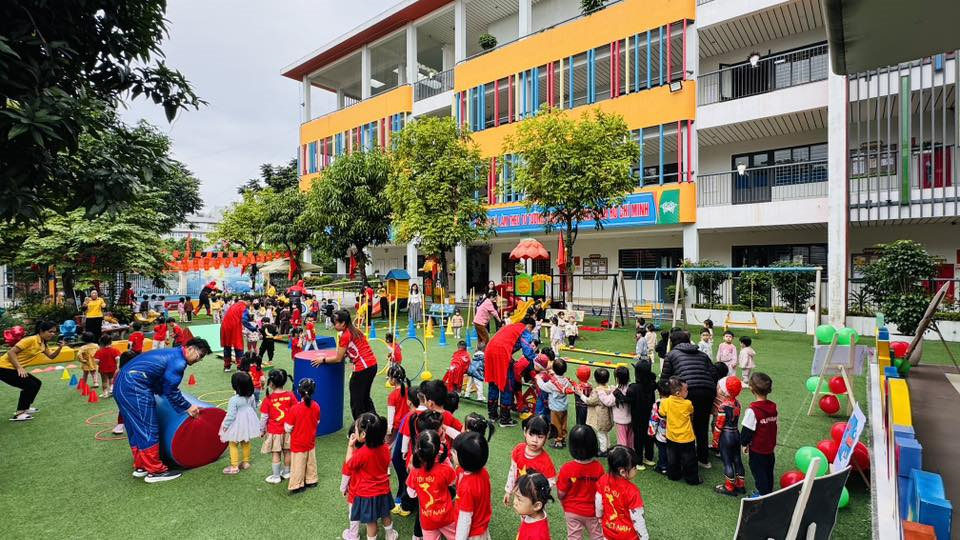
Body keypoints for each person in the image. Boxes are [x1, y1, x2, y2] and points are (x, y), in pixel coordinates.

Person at [113, 337, 212, 482]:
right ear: (190, 349)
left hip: (121, 385)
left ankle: (141, 466)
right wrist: (188, 406)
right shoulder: (178, 362)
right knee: (148, 428)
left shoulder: (172, 353)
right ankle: (155, 471)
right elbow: (171, 390)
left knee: (135, 428)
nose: (199, 359)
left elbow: (161, 381)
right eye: (200, 355)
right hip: (135, 388)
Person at [660, 328, 717, 468]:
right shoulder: (702, 354)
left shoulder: (671, 355)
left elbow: (665, 379)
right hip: (707, 391)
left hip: (686, 391)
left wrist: (665, 396)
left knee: (683, 424)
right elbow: (714, 373)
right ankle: (703, 459)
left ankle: (683, 459)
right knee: (702, 425)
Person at [313, 309, 378, 420]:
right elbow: (352, 350)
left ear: (343, 323)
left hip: (363, 368)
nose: (334, 326)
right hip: (372, 365)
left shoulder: (345, 335)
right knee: (365, 397)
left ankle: (360, 426)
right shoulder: (355, 330)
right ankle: (374, 423)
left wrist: (322, 360)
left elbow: (338, 358)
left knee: (357, 401)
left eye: (335, 323)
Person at [342, 413, 397, 540]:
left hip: (367, 493)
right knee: (385, 514)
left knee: (371, 522)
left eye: (356, 430)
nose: (354, 432)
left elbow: (349, 464)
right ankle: (390, 535)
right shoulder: (385, 448)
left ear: (363, 435)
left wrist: (350, 446)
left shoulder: (362, 453)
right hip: (383, 489)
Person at [0, 321, 63, 421]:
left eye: (54, 332)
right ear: (41, 331)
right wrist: (19, 368)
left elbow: (51, 356)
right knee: (30, 385)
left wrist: (60, 348)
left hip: (12, 368)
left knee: (37, 383)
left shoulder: (43, 343)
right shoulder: (30, 340)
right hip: (4, 368)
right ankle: (19, 413)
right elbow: (11, 352)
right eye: (50, 331)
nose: (52, 334)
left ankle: (26, 407)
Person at [484, 317, 538, 427]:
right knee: (507, 384)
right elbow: (527, 351)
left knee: (493, 382)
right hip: (501, 354)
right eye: (531, 330)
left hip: (489, 351)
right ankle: (505, 419)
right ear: (529, 326)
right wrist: (536, 359)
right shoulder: (524, 330)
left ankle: (492, 415)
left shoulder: (511, 327)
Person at [406, 429, 457, 539]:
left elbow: (411, 494)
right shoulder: (446, 469)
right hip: (447, 516)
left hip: (427, 520)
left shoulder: (414, 472)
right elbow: (453, 482)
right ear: (438, 449)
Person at [558, 425, 604, 540]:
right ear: (594, 445)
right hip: (593, 511)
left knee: (574, 537)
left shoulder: (567, 468)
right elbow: (601, 492)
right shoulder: (599, 468)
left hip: (572, 510)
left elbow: (561, 493)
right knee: (597, 536)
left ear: (572, 446)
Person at [595, 446, 650, 540]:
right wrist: (644, 538)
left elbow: (598, 502)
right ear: (622, 471)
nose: (636, 470)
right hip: (628, 536)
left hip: (608, 531)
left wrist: (599, 516)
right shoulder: (633, 491)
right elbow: (638, 519)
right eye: (634, 467)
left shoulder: (603, 480)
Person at [504, 416, 556, 506]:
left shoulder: (546, 462)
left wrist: (540, 501)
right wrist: (508, 491)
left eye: (540, 437)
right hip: (520, 493)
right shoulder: (518, 450)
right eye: (531, 434)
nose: (534, 440)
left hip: (535, 500)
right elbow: (512, 471)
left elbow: (550, 483)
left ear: (547, 436)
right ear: (525, 432)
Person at [741, 372, 778, 497]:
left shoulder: (753, 410)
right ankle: (768, 491)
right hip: (769, 447)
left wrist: (744, 444)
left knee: (758, 471)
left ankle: (762, 495)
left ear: (751, 388)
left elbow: (747, 431)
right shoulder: (773, 407)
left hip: (758, 449)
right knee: (768, 470)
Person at [452, 431, 492, 540]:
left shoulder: (467, 488)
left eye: (454, 452)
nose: (451, 453)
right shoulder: (483, 472)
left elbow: (465, 520)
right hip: (482, 524)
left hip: (473, 533)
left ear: (464, 459)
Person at [661, 376, 700, 485]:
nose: (687, 392)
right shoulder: (688, 403)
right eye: (686, 390)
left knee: (672, 459)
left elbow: (662, 413)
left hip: (671, 436)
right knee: (689, 460)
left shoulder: (665, 402)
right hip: (686, 437)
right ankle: (692, 479)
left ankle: (674, 475)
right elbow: (691, 412)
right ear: (678, 393)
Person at [219, 371, 260, 475]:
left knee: (233, 443)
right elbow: (254, 408)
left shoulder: (233, 400)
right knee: (245, 441)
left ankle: (234, 466)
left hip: (237, 424)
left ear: (235, 386)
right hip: (248, 422)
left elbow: (231, 415)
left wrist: (225, 426)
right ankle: (246, 462)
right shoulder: (251, 396)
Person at [285, 377, 320, 493]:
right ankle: (312, 479)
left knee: (298, 464)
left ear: (298, 391)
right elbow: (317, 421)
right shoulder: (316, 406)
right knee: (311, 461)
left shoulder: (294, 409)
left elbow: (288, 427)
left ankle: (297, 484)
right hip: (310, 440)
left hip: (298, 442)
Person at [260, 369, 295, 484]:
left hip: (274, 432)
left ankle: (276, 477)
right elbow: (295, 411)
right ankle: (287, 472)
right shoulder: (290, 395)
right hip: (288, 431)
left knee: (276, 453)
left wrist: (261, 430)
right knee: (287, 451)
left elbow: (264, 417)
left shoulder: (268, 399)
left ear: (271, 383)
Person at [713, 376, 746, 496]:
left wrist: (715, 440)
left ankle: (729, 486)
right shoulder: (738, 403)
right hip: (736, 433)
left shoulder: (723, 406)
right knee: (737, 460)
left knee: (727, 462)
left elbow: (719, 425)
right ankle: (741, 485)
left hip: (726, 436)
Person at [624, 359, 657, 466]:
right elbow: (654, 381)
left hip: (638, 418)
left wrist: (617, 394)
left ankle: (639, 461)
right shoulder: (652, 385)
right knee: (649, 437)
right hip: (650, 417)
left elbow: (627, 400)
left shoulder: (633, 387)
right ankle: (648, 458)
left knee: (638, 439)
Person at [537, 357, 573, 449]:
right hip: (564, 407)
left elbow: (543, 386)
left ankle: (558, 441)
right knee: (563, 423)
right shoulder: (566, 380)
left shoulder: (552, 383)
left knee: (556, 425)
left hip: (555, 408)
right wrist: (553, 374)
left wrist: (538, 379)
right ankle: (563, 438)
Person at [580, 368, 613, 455]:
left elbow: (590, 401)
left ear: (595, 379)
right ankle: (608, 446)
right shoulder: (609, 388)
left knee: (601, 434)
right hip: (607, 416)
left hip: (600, 417)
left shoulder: (597, 391)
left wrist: (581, 395)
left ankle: (603, 450)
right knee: (605, 432)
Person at [220, 296, 256, 372]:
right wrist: (253, 328)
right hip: (234, 327)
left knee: (227, 346)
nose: (250, 305)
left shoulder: (235, 304)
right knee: (238, 346)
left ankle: (227, 366)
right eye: (251, 303)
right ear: (248, 301)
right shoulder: (243, 307)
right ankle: (240, 367)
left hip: (225, 326)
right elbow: (244, 320)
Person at [513, 472, 553, 539]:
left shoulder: (537, 536)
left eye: (519, 499)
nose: (514, 502)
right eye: (515, 496)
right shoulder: (532, 515)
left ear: (536, 506)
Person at [648, 380, 671, 474]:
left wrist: (651, 432)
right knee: (672, 450)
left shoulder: (658, 404)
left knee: (662, 450)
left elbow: (654, 420)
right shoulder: (675, 402)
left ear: (659, 392)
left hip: (661, 433)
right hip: (674, 433)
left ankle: (663, 466)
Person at [608, 366, 632, 449]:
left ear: (617, 378)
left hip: (621, 420)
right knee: (630, 440)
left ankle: (623, 454)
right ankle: (631, 453)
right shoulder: (631, 388)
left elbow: (609, 402)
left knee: (622, 441)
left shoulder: (617, 390)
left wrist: (602, 393)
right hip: (631, 418)